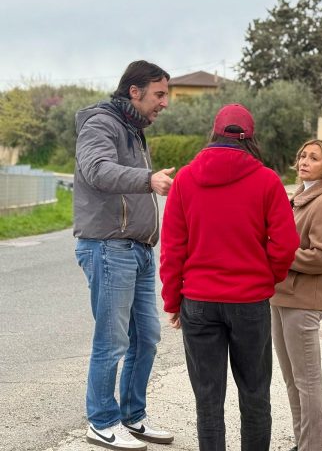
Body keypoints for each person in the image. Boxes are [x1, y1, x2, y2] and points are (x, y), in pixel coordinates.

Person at [159, 104, 299, 451]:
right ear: (250, 139)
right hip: (249, 302)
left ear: (214, 134)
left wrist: (173, 301)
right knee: (254, 395)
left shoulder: (185, 180)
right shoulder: (267, 180)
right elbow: (285, 244)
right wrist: (266, 279)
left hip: (199, 302)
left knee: (207, 400)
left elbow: (173, 248)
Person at [73, 60, 176, 450]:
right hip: (108, 246)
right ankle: (101, 421)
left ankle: (132, 417)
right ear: (134, 91)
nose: (164, 103)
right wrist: (147, 180)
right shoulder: (100, 124)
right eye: (159, 94)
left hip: (138, 248)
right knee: (112, 340)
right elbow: (97, 170)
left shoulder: (133, 129)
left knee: (146, 338)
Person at [271, 139, 322, 451]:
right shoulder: (299, 197)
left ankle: (312, 447)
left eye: (313, 158)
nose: (304, 161)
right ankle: (303, 442)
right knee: (292, 381)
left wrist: (278, 254)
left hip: (303, 302)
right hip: (281, 297)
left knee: (308, 382)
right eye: (302, 155)